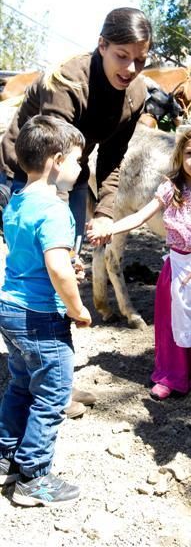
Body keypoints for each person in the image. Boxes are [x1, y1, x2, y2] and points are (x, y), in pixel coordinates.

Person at [0, 6, 152, 416]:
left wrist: (103, 213)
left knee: (68, 266)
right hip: (26, 168)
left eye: (141, 58)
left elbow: (114, 159)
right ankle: (43, 376)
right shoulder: (68, 82)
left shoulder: (136, 94)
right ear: (101, 45)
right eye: (122, 55)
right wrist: (62, 231)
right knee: (44, 270)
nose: (132, 67)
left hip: (71, 169)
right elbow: (49, 159)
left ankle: (54, 375)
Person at [87, 127, 191, 406]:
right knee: (171, 326)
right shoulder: (169, 189)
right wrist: (111, 227)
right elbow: (139, 216)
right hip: (175, 267)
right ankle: (170, 377)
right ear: (179, 156)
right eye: (189, 153)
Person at [0, 115, 91, 506]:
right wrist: (77, 307)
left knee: (21, 384)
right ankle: (33, 478)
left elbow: (35, 255)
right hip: (41, 317)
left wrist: (68, 261)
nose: (80, 167)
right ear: (56, 160)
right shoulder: (55, 209)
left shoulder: (18, 200)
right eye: (76, 160)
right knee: (53, 393)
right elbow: (55, 267)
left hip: (10, 309)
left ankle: (6, 457)